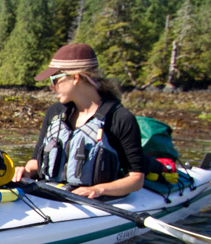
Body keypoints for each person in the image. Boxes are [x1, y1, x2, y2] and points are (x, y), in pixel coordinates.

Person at [12, 43, 145, 199]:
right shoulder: (54, 113)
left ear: (75, 78)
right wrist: (26, 171)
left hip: (95, 202)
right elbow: (36, 160)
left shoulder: (120, 118)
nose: (51, 87)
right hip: (48, 195)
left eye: (54, 80)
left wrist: (98, 189)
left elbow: (136, 179)